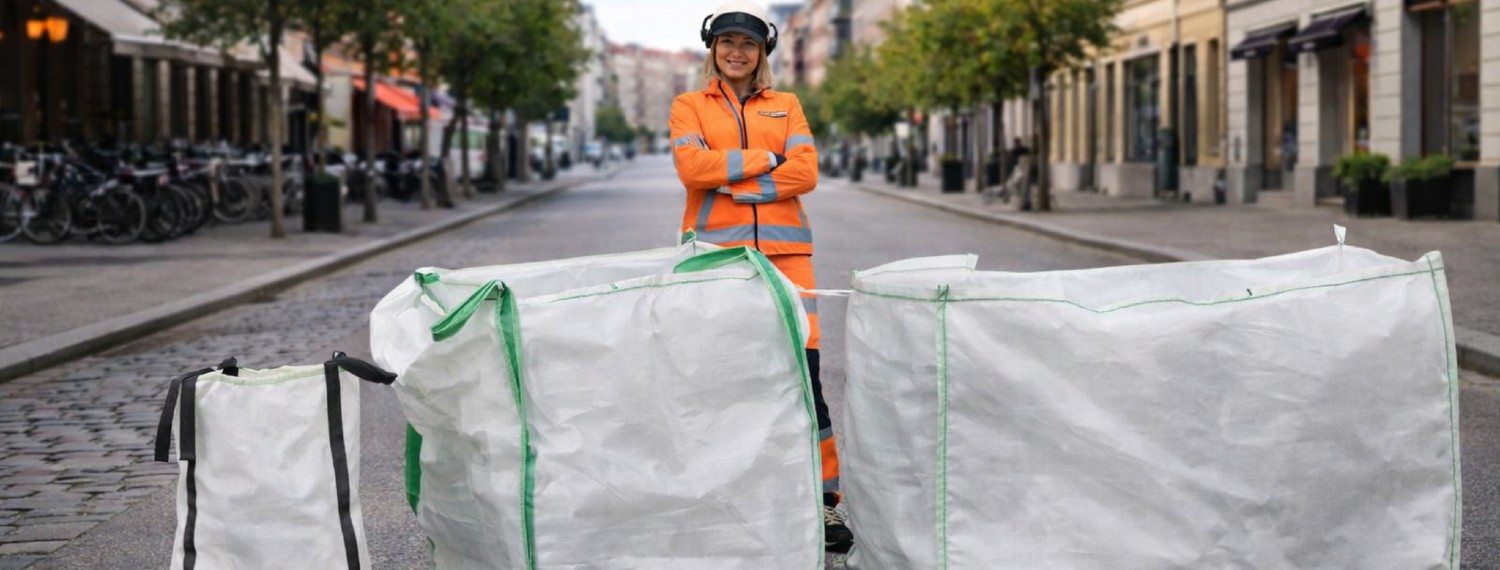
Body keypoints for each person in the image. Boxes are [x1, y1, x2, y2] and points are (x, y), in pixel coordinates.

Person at [668, 0, 854, 554]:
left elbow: (807, 172)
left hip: (788, 262)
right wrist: (766, 159)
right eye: (726, 43)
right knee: (721, 384)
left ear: (762, 53)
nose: (736, 52)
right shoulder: (688, 105)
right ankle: (729, 500)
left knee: (805, 385)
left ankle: (823, 504)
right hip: (715, 264)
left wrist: (738, 181)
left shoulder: (788, 105)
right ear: (713, 49)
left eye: (746, 45)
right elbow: (691, 169)